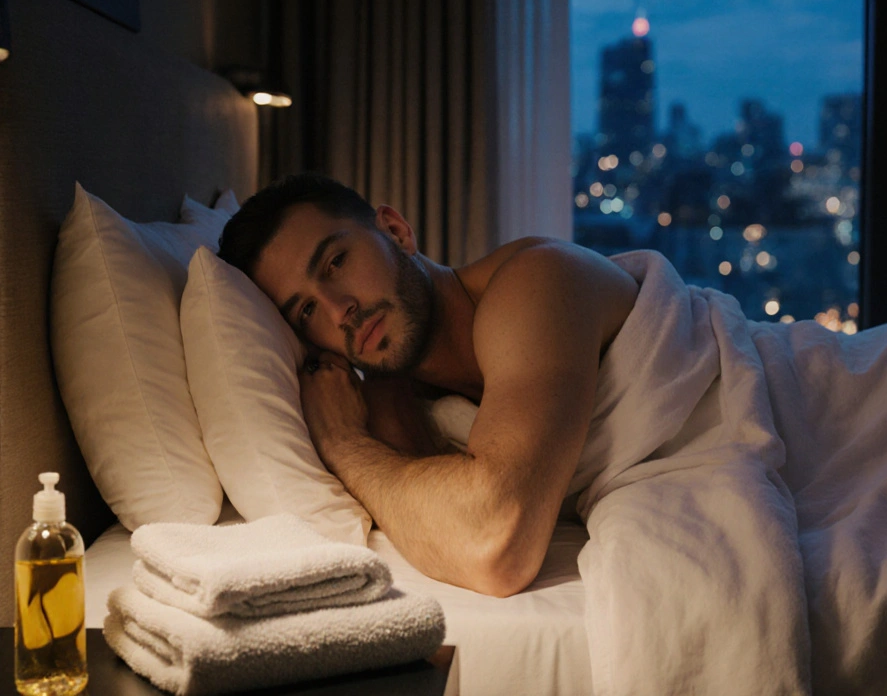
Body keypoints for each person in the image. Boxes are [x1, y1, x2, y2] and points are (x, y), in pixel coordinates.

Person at [218, 173, 639, 597]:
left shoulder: (539, 281)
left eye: (336, 262)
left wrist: (342, 441)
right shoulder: (397, 400)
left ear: (396, 232)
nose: (339, 309)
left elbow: (496, 546)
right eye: (307, 310)